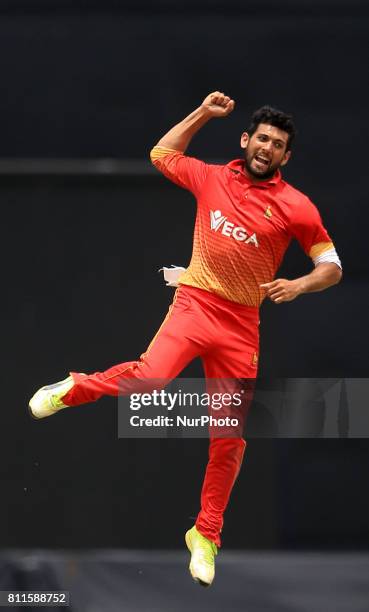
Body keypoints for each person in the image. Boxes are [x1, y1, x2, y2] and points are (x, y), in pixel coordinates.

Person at [29, 92, 342, 587]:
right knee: (150, 378)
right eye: (261, 138)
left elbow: (332, 266)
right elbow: (162, 156)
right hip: (196, 304)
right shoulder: (214, 176)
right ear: (246, 141)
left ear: (286, 157)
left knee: (230, 438)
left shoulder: (295, 206)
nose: (267, 148)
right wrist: (202, 114)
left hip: (241, 326)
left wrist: (301, 284)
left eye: (278, 144)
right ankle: (73, 389)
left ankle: (206, 534)